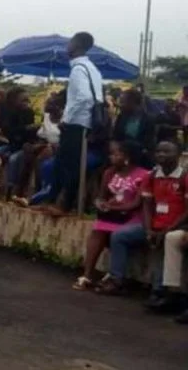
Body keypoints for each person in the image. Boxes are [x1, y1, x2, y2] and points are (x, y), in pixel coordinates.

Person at [97, 141, 187, 297]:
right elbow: (146, 206)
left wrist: (168, 229)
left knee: (164, 242)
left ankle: (159, 290)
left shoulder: (184, 177)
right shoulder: (151, 176)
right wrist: (148, 229)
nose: (162, 155)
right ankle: (116, 280)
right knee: (119, 236)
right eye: (159, 151)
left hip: (176, 227)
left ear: (179, 155)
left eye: (167, 151)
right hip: (153, 225)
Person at [71, 140, 149, 290]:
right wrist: (100, 204)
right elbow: (102, 196)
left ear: (127, 156)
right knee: (98, 229)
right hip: (112, 214)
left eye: (115, 154)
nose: (111, 157)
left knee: (114, 232)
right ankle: (87, 275)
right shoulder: (109, 172)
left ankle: (112, 275)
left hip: (132, 215)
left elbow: (136, 203)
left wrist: (111, 207)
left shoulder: (144, 175)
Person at [44, 32, 104, 213]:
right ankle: (52, 200)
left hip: (77, 123)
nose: (67, 46)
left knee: (70, 165)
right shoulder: (92, 68)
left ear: (76, 45)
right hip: (83, 121)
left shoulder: (79, 69)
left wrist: (66, 119)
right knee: (62, 162)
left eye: (70, 42)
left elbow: (84, 98)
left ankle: (64, 204)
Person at [112, 88, 157, 166]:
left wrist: (126, 146)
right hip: (121, 158)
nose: (120, 105)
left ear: (132, 102)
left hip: (141, 160)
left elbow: (149, 144)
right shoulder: (121, 117)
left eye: (123, 102)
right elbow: (115, 136)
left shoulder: (149, 119)